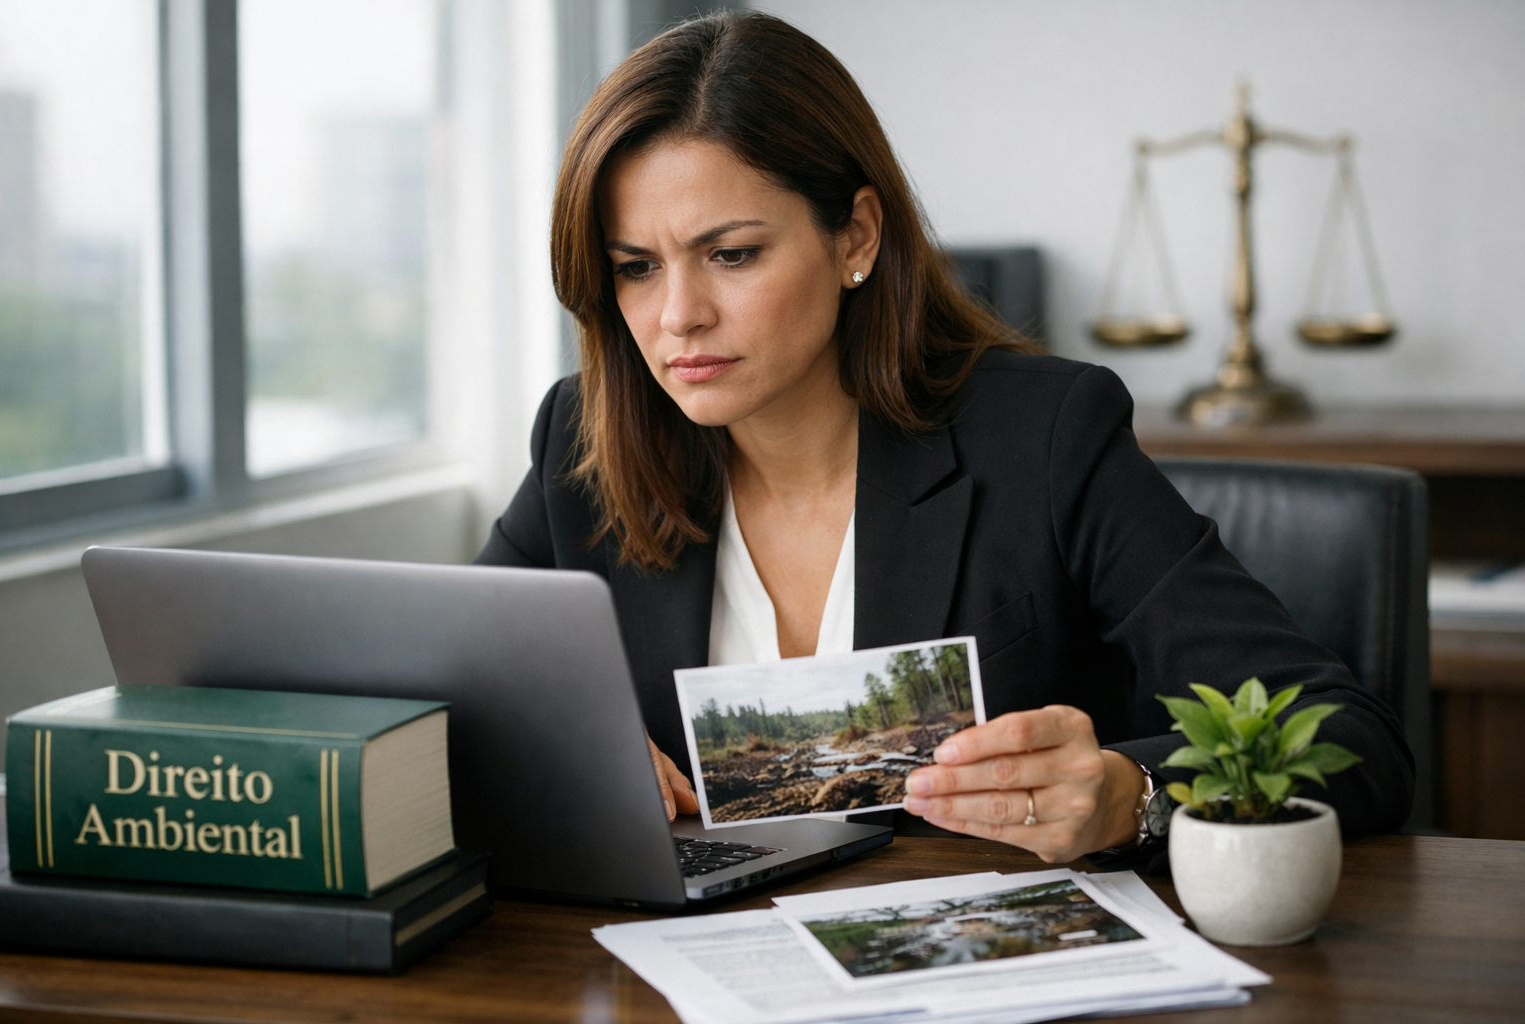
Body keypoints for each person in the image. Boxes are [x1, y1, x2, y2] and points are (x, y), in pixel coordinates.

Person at [476, 10, 1413, 863]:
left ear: (856, 237)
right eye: (636, 268)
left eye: (731, 255)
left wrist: (1139, 795)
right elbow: (441, 705)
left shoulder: (1044, 437)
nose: (678, 316)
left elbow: (1350, 736)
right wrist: (546, 746)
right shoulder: (580, 445)